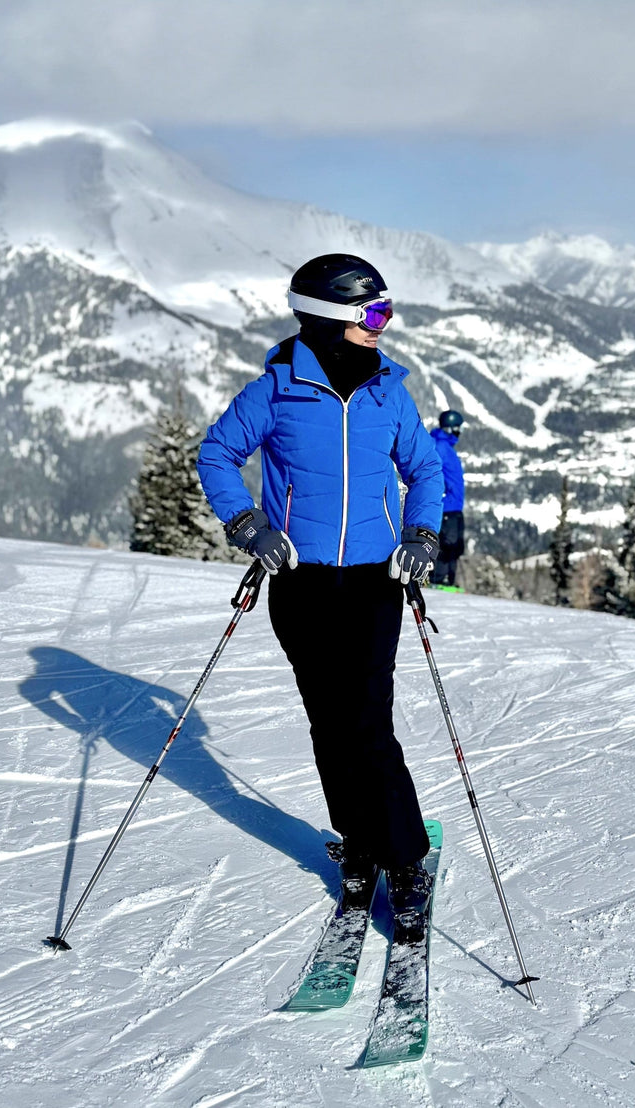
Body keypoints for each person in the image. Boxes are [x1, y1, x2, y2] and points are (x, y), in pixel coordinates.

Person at [196, 254, 444, 916]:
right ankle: (358, 842)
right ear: (334, 318)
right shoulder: (275, 391)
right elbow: (216, 454)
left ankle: (406, 857)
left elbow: (424, 470)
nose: (384, 324)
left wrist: (421, 535)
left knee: (367, 722)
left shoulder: (390, 392)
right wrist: (247, 524)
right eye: (374, 313)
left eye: (385, 311)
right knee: (329, 722)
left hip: (372, 583)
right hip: (300, 586)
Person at [429, 410, 465, 587]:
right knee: (446, 545)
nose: (459, 432)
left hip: (455, 506)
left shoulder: (447, 447)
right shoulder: (440, 447)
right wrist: (441, 494)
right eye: (457, 428)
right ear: (450, 428)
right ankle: (437, 579)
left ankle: (449, 580)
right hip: (446, 507)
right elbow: (431, 472)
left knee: (456, 546)